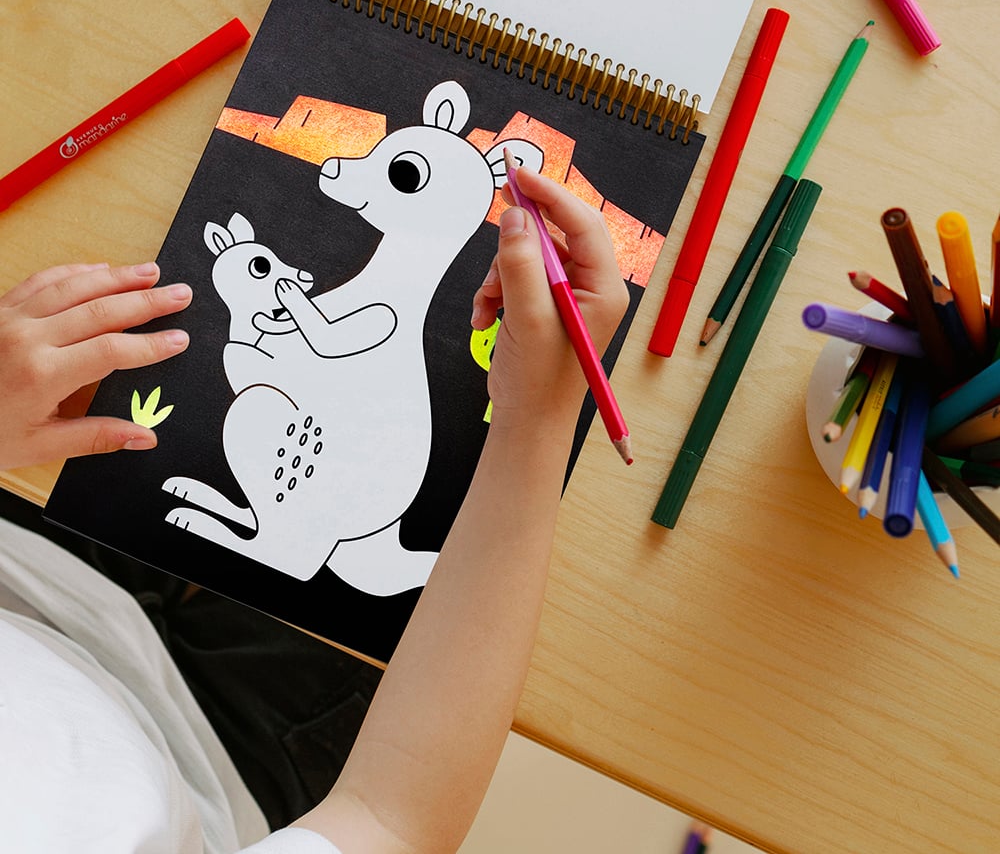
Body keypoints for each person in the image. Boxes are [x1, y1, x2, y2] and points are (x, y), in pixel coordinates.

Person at [0, 166, 629, 853]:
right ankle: (262, 535)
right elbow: (393, 819)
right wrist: (536, 420)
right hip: (218, 757)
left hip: (31, 577)